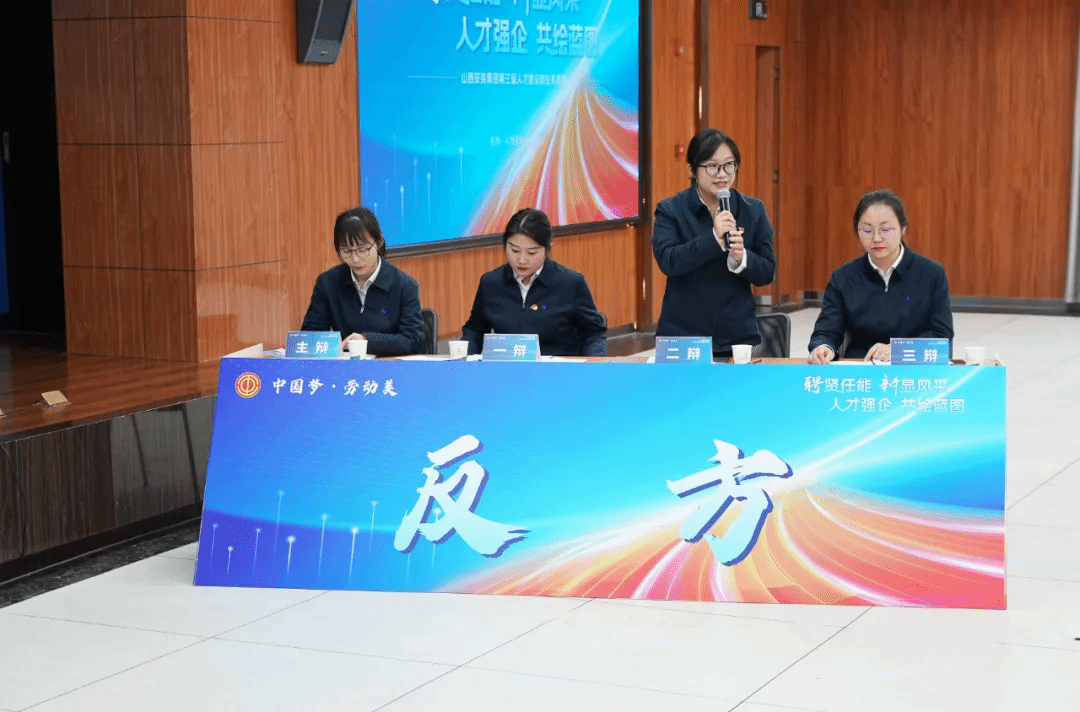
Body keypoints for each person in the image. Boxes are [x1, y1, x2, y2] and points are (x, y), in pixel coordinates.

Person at [652, 128, 776, 357]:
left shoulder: (753, 210)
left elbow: (767, 271)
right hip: (683, 337)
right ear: (692, 170)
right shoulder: (671, 210)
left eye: (729, 165)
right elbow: (669, 261)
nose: (722, 174)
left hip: (737, 337)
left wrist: (743, 258)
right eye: (712, 166)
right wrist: (714, 240)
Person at [807, 190, 954, 363]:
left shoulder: (931, 274)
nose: (876, 238)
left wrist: (898, 350)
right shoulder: (843, 277)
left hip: (912, 367)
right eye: (867, 230)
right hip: (861, 367)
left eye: (885, 229)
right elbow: (826, 331)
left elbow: (942, 336)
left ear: (903, 228)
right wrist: (823, 347)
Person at [462, 207, 607, 357]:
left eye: (531, 252)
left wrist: (594, 365)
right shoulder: (491, 283)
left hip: (557, 368)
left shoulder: (571, 283)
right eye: (515, 250)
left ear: (547, 249)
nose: (522, 260)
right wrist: (464, 358)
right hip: (508, 367)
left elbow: (593, 334)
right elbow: (475, 330)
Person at [301, 206, 425, 356]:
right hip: (346, 366)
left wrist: (366, 340)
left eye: (362, 250)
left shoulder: (405, 285)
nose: (355, 259)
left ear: (379, 242)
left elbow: (413, 341)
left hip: (389, 366)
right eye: (347, 251)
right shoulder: (328, 283)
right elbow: (310, 336)